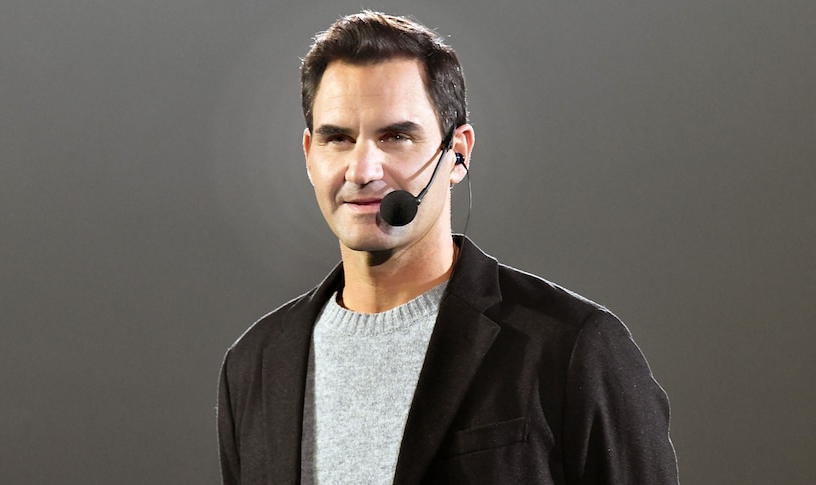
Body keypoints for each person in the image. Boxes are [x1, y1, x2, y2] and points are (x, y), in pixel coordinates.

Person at [217, 11, 678, 484]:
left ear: (458, 153)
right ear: (310, 155)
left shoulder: (574, 346)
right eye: (339, 139)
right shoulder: (253, 367)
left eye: (396, 136)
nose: (362, 170)